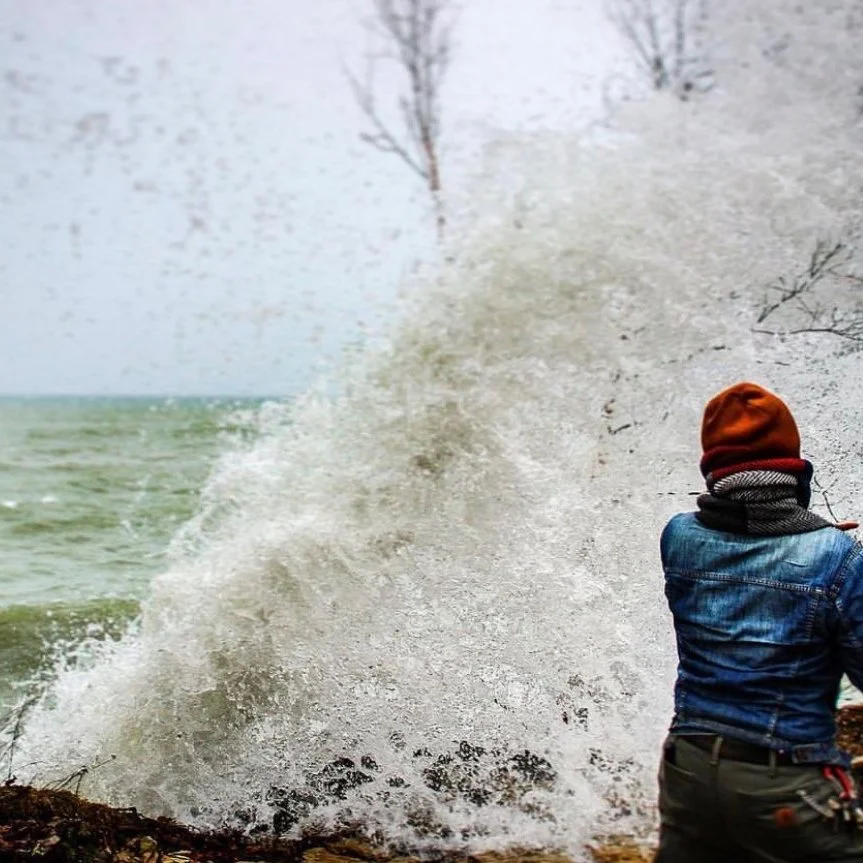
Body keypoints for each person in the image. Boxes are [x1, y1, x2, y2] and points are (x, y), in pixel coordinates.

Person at [657, 381, 863, 862]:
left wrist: (818, 546)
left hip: (688, 774)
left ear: (712, 469)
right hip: (786, 783)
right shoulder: (835, 558)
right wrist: (840, 562)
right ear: (792, 467)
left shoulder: (677, 538)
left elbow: (745, 536)